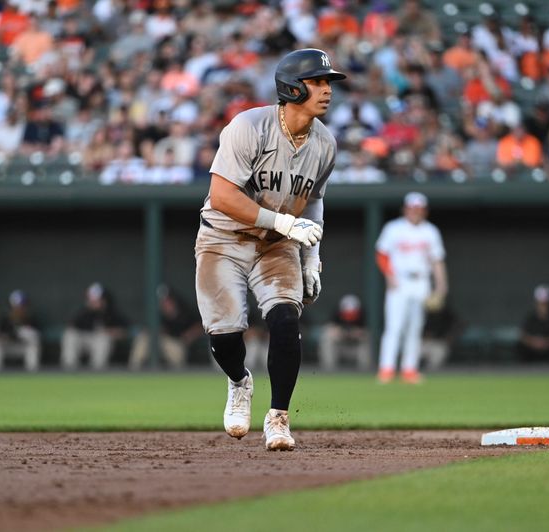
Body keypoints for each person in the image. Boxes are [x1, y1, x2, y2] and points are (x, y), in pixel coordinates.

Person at [194, 48, 345, 450]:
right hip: (224, 236)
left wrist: (311, 256)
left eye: (328, 82)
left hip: (278, 244)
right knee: (225, 333)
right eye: (317, 82)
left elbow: (312, 199)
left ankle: (278, 417)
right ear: (292, 87)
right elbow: (222, 195)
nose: (327, 90)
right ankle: (240, 382)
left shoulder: (325, 143)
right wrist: (282, 221)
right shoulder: (249, 126)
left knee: (284, 320)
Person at [375, 192, 447, 384]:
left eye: (419, 209)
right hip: (399, 281)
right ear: (405, 209)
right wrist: (389, 276)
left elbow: (437, 261)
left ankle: (409, 369)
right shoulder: (394, 228)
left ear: (424, 211)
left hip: (421, 281)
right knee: (394, 327)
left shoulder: (430, 231)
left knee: (415, 328)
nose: (415, 212)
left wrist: (441, 286)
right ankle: (387, 369)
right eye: (412, 208)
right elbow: (381, 254)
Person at [128, 284, 203, 370]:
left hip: (175, 342)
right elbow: (147, 329)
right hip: (158, 339)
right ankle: (134, 370)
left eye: (167, 300)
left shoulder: (185, 310)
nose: (165, 303)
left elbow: (200, 325)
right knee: (142, 339)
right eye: (162, 301)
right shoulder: (156, 312)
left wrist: (190, 335)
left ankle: (178, 376)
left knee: (177, 353)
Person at [61, 283, 129, 370]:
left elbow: (123, 331)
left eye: (97, 299)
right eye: (92, 299)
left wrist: (108, 332)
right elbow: (71, 326)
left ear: (104, 299)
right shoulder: (84, 312)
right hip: (83, 339)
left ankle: (96, 372)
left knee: (103, 339)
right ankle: (69, 369)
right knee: (70, 335)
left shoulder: (111, 313)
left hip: (99, 341)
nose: (94, 302)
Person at [0, 289, 41, 372]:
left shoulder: (31, 319)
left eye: (21, 306)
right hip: (8, 347)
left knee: (33, 345)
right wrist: (7, 336)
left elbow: (35, 335)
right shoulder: (4, 319)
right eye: (16, 306)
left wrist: (18, 334)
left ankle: (32, 374)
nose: (19, 308)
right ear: (11, 306)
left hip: (23, 348)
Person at [318, 294, 371, 372]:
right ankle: (328, 371)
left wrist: (356, 333)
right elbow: (329, 328)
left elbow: (365, 332)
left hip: (354, 349)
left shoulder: (362, 316)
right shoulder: (336, 314)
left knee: (366, 340)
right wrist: (340, 332)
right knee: (326, 337)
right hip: (339, 347)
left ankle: (364, 372)